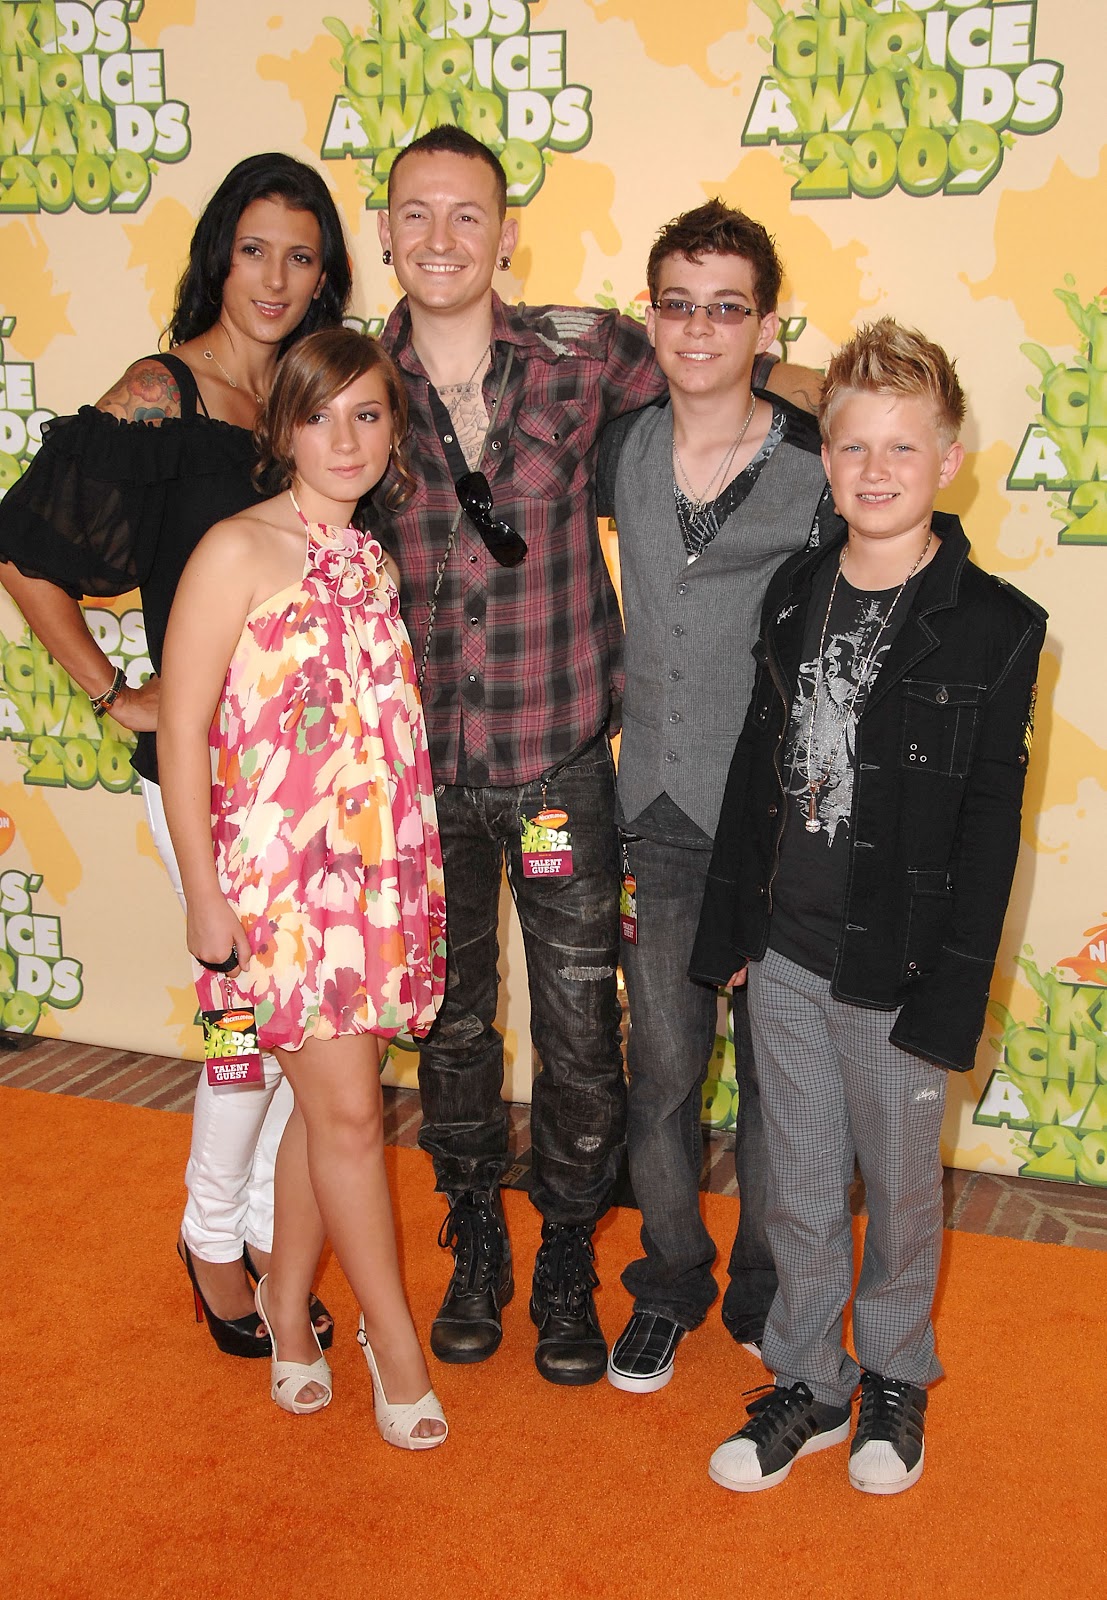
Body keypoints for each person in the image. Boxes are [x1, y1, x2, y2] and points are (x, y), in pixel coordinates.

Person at [373, 126, 822, 1385]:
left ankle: (572, 1250)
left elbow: (725, 372)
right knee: (455, 1032)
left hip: (567, 765)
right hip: (422, 782)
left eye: (470, 216)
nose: (444, 238)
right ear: (389, 228)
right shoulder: (352, 379)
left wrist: (878, 412)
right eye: (420, 214)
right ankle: (477, 1242)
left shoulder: (586, 358)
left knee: (585, 1033)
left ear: (507, 233)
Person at [0, 153, 352, 1357]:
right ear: (218, 252)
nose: (276, 276)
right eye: (255, 247)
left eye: (301, 254)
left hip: (311, 782)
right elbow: (24, 547)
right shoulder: (165, 391)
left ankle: (259, 1233)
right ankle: (213, 1244)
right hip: (205, 782)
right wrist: (113, 692)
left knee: (285, 1027)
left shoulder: (313, 397)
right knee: (242, 1025)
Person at [691, 319, 1047, 1493]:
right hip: (787, 948)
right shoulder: (796, 589)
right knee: (792, 1182)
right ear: (826, 460)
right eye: (853, 447)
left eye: (904, 446)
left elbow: (990, 830)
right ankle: (811, 1374)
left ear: (949, 459)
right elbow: (757, 767)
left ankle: (894, 1369)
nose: (877, 469)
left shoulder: (996, 625)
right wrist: (732, 929)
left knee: (898, 1190)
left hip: (898, 969)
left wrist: (954, 995)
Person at [158, 328, 448, 1444]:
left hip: (372, 888)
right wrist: (203, 895)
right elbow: (184, 731)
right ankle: (397, 1347)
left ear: (392, 432)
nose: (345, 438)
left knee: (332, 1111)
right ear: (280, 426)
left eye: (368, 415)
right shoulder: (235, 549)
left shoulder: (368, 556)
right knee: (352, 1116)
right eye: (321, 415)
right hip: (278, 894)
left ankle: (286, 1312)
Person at [596, 200, 836, 1394]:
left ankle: (765, 1286)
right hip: (659, 818)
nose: (700, 328)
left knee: (786, 1083)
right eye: (679, 304)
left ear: (766, 324)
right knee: (667, 1076)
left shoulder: (819, 463)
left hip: (786, 827)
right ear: (653, 317)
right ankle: (672, 1281)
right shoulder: (621, 446)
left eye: (726, 307)